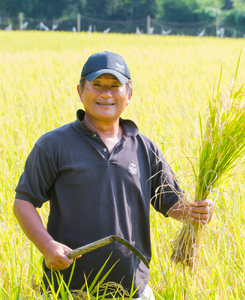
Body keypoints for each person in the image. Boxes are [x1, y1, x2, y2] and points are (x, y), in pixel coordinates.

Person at [13, 51, 214, 299]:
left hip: (133, 289)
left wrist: (198, 211)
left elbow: (172, 204)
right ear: (80, 91)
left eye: (114, 86)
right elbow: (24, 201)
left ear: (129, 94)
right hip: (68, 288)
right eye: (96, 86)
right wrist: (46, 246)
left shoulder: (144, 148)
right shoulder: (54, 145)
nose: (105, 94)